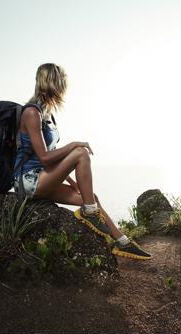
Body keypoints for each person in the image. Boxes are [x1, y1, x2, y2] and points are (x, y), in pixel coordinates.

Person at [13, 63, 151, 260]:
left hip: (43, 178)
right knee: (81, 152)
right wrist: (74, 144)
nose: (64, 85)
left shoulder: (47, 115)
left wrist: (71, 182)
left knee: (90, 197)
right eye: (61, 81)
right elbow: (44, 157)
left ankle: (122, 242)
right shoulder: (31, 113)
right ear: (51, 82)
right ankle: (90, 213)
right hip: (28, 181)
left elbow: (49, 162)